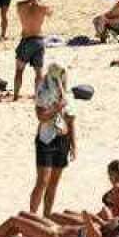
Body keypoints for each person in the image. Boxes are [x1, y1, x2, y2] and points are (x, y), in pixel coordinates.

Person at [31, 63, 76, 217]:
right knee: (42, 181)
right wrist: (57, 108)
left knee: (54, 183)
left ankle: (47, 216)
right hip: (46, 139)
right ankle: (32, 216)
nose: (61, 80)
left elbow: (71, 121)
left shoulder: (67, 94)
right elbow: (41, 116)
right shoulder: (43, 91)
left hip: (62, 140)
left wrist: (73, 145)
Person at [14, 0, 50, 101]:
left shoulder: (20, 5)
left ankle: (15, 95)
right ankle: (37, 95)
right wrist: (38, 2)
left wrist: (31, 1)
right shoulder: (42, 7)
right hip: (38, 40)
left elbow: (19, 6)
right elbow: (50, 12)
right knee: (38, 72)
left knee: (19, 70)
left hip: (26, 40)